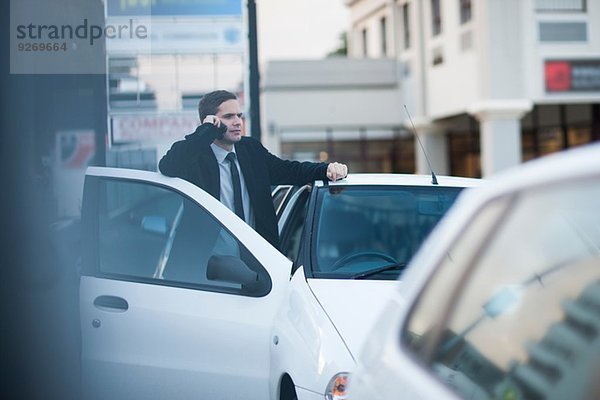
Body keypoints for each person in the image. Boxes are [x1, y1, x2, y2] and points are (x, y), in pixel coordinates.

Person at [159, 89, 348, 250]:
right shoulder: (195, 157)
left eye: (239, 116)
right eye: (228, 117)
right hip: (207, 263)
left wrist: (328, 168)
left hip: (258, 260)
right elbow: (167, 166)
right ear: (210, 122)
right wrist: (205, 132)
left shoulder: (251, 150)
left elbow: (291, 170)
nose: (237, 122)